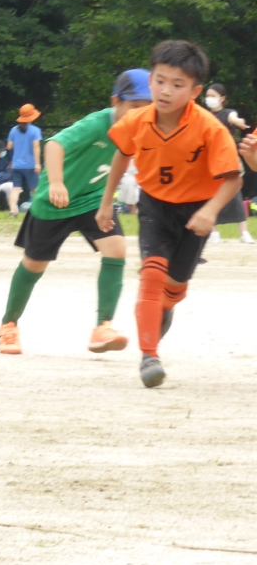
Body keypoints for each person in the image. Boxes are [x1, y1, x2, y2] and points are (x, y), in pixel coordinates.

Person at [96, 41, 241, 388]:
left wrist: (210, 211)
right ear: (150, 81)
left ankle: (164, 309)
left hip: (195, 211)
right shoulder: (136, 120)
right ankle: (149, 357)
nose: (165, 90)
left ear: (194, 91)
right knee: (151, 275)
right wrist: (106, 201)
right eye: (160, 81)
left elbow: (233, 178)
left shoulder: (209, 128)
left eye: (177, 85)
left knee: (174, 288)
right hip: (154, 206)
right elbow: (122, 154)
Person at [0, 69, 152, 356]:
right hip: (56, 201)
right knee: (34, 264)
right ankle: (8, 326)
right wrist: (56, 182)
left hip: (92, 200)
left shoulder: (142, 128)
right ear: (116, 101)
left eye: (148, 107)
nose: (142, 113)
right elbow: (55, 144)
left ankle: (103, 326)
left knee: (116, 248)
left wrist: (108, 201)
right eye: (135, 106)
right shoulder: (97, 123)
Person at [202, 83, 253, 244]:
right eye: (207, 96)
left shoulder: (228, 113)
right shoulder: (205, 116)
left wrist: (238, 121)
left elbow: (233, 118)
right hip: (211, 160)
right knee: (211, 195)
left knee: (235, 195)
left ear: (222, 98)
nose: (209, 99)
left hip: (228, 160)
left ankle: (244, 232)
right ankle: (214, 232)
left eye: (213, 96)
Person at [6, 104, 43, 215]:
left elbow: (9, 147)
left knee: (16, 189)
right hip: (30, 165)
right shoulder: (35, 130)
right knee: (35, 189)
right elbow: (36, 147)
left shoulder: (13, 130)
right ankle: (40, 211)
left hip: (16, 165)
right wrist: (38, 164)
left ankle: (12, 211)